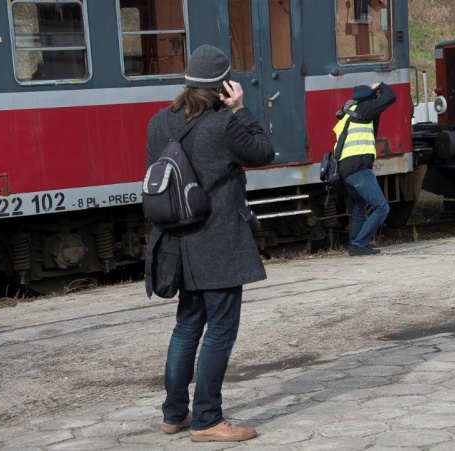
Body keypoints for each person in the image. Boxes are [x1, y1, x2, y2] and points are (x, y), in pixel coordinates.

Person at [145, 44, 275, 442]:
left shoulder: (158, 123)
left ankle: (174, 414)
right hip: (217, 243)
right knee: (220, 330)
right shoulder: (223, 124)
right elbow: (264, 152)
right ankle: (206, 419)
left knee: (186, 327)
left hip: (177, 242)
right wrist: (239, 109)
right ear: (223, 85)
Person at [334, 82, 396, 256]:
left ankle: (356, 245)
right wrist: (380, 85)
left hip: (345, 170)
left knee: (360, 204)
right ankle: (359, 243)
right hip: (358, 168)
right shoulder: (364, 109)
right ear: (369, 98)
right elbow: (391, 97)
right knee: (382, 207)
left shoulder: (347, 112)